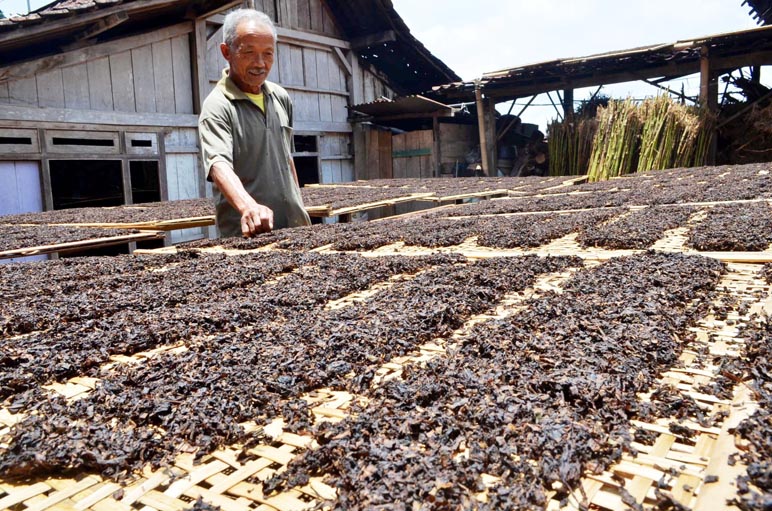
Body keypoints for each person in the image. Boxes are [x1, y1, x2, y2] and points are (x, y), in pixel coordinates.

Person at [198, 9, 311, 238]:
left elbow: (287, 159)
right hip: (249, 233)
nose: (260, 63)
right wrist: (248, 207)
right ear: (226, 52)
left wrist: (299, 205)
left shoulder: (280, 97)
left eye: (268, 54)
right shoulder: (218, 105)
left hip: (294, 226)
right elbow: (218, 165)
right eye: (249, 52)